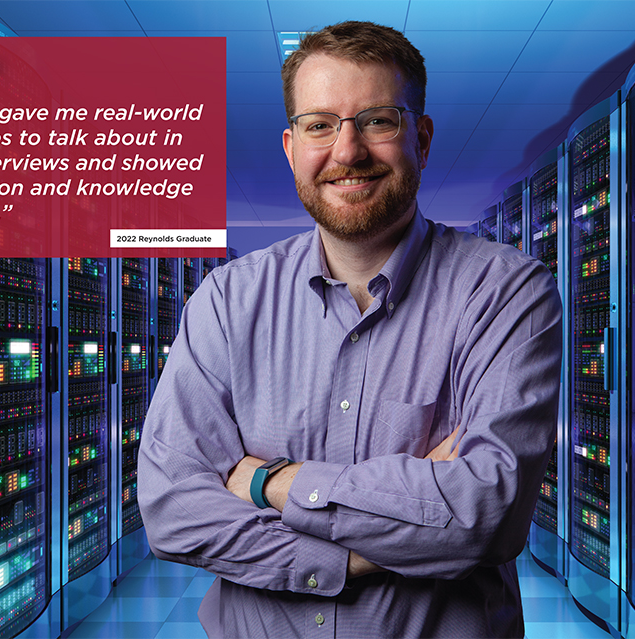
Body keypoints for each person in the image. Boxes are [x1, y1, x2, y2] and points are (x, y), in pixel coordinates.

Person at [139, 21, 561, 639]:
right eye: (320, 125)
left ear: (421, 135)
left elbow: (487, 515)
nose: (347, 151)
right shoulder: (228, 301)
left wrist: (266, 481)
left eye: (377, 120)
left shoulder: (505, 293)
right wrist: (364, 551)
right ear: (291, 147)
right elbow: (172, 511)